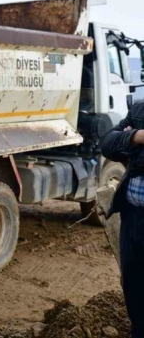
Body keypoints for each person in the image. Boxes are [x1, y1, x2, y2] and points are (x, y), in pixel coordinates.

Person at [101, 100, 144, 338]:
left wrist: (129, 144)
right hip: (133, 218)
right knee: (134, 289)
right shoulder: (139, 110)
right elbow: (107, 144)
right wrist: (136, 136)